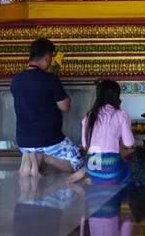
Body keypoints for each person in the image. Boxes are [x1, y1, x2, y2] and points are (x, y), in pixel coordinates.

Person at [10, 37, 87, 182]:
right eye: (50, 58)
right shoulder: (50, 79)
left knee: (33, 151)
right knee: (78, 163)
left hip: (23, 139)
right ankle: (43, 158)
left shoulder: (16, 80)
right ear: (46, 58)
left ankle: (29, 158)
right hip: (49, 139)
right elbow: (65, 106)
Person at [81, 78, 134, 186]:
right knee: (131, 166)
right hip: (112, 172)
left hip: (92, 171)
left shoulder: (89, 116)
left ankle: (98, 179)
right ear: (117, 97)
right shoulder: (120, 114)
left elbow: (84, 145)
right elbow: (129, 143)